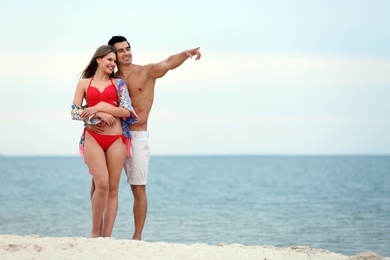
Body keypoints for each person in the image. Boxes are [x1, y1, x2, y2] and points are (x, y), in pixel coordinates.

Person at [96, 36, 201, 240]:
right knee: (103, 186)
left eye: (128, 48)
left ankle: (137, 237)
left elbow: (168, 63)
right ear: (112, 55)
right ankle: (100, 235)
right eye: (121, 51)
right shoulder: (111, 79)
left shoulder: (145, 72)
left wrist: (185, 54)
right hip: (113, 135)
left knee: (138, 187)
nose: (127, 53)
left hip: (137, 136)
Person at [71, 45, 138, 238]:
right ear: (98, 60)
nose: (112, 64)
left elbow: (127, 111)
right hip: (93, 138)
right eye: (109, 60)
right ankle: (95, 233)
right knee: (101, 183)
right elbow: (75, 111)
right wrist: (97, 114)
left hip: (116, 140)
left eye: (114, 61)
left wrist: (100, 106)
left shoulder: (119, 84)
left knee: (113, 188)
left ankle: (107, 237)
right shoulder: (84, 83)